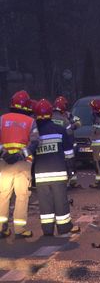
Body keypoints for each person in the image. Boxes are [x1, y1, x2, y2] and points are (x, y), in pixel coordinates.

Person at [33, 99, 80, 236]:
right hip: (58, 172)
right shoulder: (59, 130)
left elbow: (31, 153)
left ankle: (47, 230)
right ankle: (64, 227)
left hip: (40, 175)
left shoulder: (34, 133)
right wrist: (71, 169)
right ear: (50, 113)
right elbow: (68, 152)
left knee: (45, 202)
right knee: (60, 201)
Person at [0, 90, 39, 238]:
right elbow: (35, 142)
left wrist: (4, 154)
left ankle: (1, 228)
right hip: (22, 164)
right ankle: (19, 230)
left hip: (3, 164)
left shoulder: (2, 119)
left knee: (3, 196)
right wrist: (19, 155)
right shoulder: (30, 122)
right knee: (22, 197)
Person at [52, 96, 80, 188]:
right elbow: (69, 132)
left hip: (53, 145)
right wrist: (74, 126)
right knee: (69, 163)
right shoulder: (64, 119)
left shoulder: (49, 117)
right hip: (66, 145)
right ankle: (69, 180)